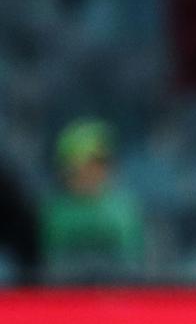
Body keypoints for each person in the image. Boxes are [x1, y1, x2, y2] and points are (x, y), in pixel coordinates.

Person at [39, 119, 145, 280]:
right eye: (84, 165)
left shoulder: (126, 210)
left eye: (99, 164)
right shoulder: (52, 214)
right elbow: (49, 269)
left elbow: (134, 267)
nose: (91, 173)